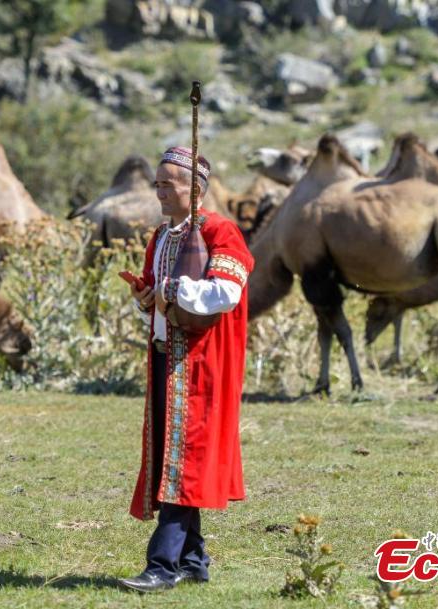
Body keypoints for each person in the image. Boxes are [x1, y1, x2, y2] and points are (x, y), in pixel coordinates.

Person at [118, 147, 254, 593]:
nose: (159, 192)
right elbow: (157, 295)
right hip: (165, 357)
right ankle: (193, 561)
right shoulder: (160, 235)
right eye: (156, 184)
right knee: (174, 457)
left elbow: (226, 292)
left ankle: (162, 565)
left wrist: (173, 289)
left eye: (168, 184)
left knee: (184, 459)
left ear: (194, 189)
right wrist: (147, 298)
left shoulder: (220, 231)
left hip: (201, 365)